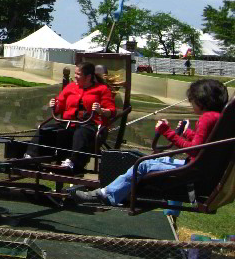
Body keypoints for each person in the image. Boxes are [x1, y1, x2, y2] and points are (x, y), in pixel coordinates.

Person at [73, 79, 229, 205]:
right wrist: (187, 133)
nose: (191, 104)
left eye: (192, 101)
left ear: (201, 100)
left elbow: (194, 150)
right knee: (156, 159)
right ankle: (119, 190)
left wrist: (166, 132)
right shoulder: (219, 118)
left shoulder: (207, 118)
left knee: (142, 164)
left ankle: (107, 194)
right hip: (200, 168)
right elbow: (205, 144)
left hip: (192, 169)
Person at [25, 62, 116, 172]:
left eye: (78, 74)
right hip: (68, 123)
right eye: (75, 73)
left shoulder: (102, 89)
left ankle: (74, 162)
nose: (75, 77)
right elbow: (59, 106)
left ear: (88, 77)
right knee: (45, 129)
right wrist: (54, 105)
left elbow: (111, 112)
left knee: (80, 133)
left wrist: (100, 110)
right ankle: (31, 156)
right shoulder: (71, 87)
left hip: (90, 125)